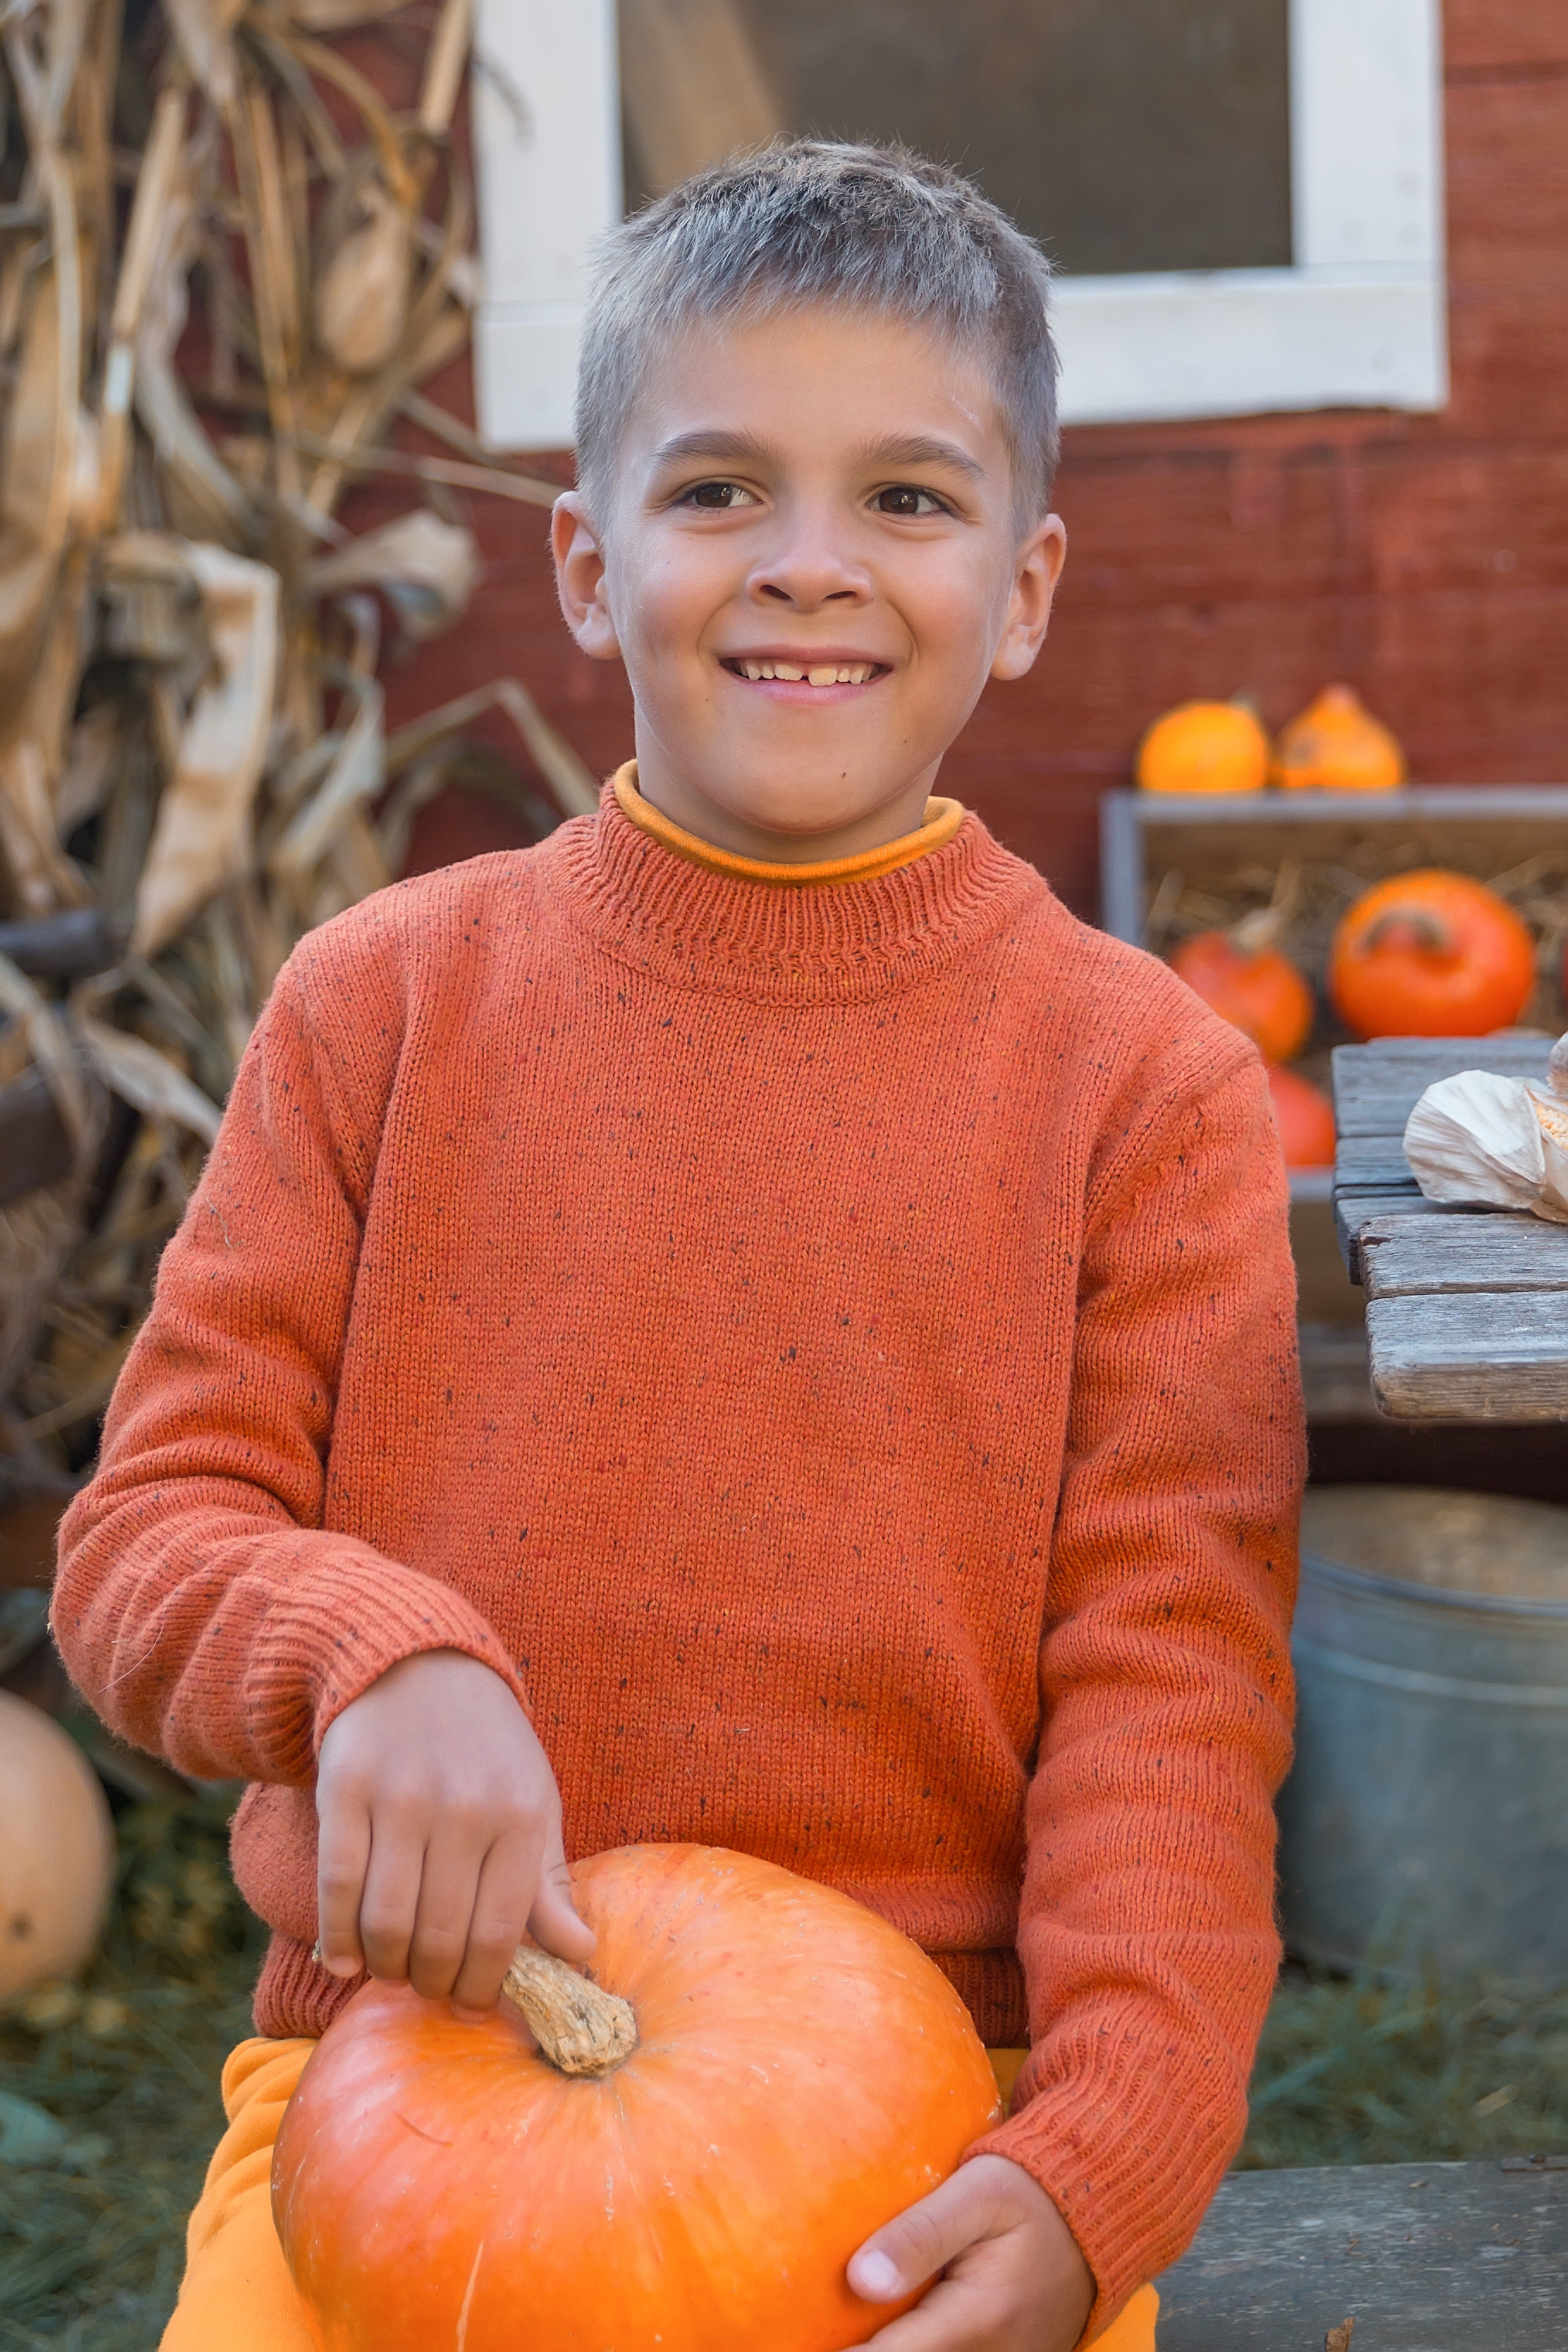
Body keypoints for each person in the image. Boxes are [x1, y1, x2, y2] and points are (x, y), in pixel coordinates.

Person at [53, 140, 1303, 2352]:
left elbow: (1168, 1701)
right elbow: (146, 1541)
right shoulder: (384, 1004)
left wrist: (1104, 2147)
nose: (809, 567)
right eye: (718, 489)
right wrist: (367, 1645)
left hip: (935, 2118)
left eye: (908, 503)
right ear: (586, 562)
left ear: (1020, 590)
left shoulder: (1147, 1091)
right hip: (413, 2076)